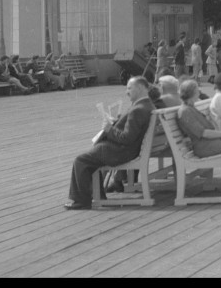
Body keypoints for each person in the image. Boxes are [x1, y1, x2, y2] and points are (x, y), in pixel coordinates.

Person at [64, 76, 154, 210]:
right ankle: (98, 194)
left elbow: (126, 138)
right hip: (130, 149)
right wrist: (117, 123)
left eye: (129, 88)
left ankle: (81, 201)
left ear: (140, 88)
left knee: (81, 161)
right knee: (90, 158)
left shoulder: (138, 109)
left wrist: (109, 129)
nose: (127, 92)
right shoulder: (147, 105)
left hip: (121, 152)